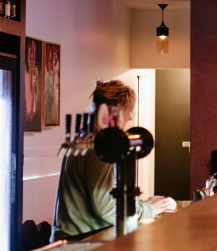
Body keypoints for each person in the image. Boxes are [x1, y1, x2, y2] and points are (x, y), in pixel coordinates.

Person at [52, 80, 176, 241]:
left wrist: (139, 205)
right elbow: (105, 208)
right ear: (116, 111)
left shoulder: (85, 136)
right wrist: (149, 210)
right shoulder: (102, 145)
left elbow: (106, 198)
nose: (130, 117)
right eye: (129, 111)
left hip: (71, 237)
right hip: (81, 241)